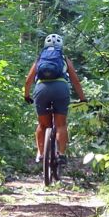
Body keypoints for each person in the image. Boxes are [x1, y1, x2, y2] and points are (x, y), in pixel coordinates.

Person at [23, 33, 86, 168]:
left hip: (41, 89)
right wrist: (82, 98)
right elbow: (75, 81)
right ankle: (61, 155)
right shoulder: (64, 59)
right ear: (60, 46)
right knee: (61, 125)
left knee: (42, 124)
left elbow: (28, 80)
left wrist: (26, 96)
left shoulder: (40, 59)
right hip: (60, 89)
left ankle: (40, 153)